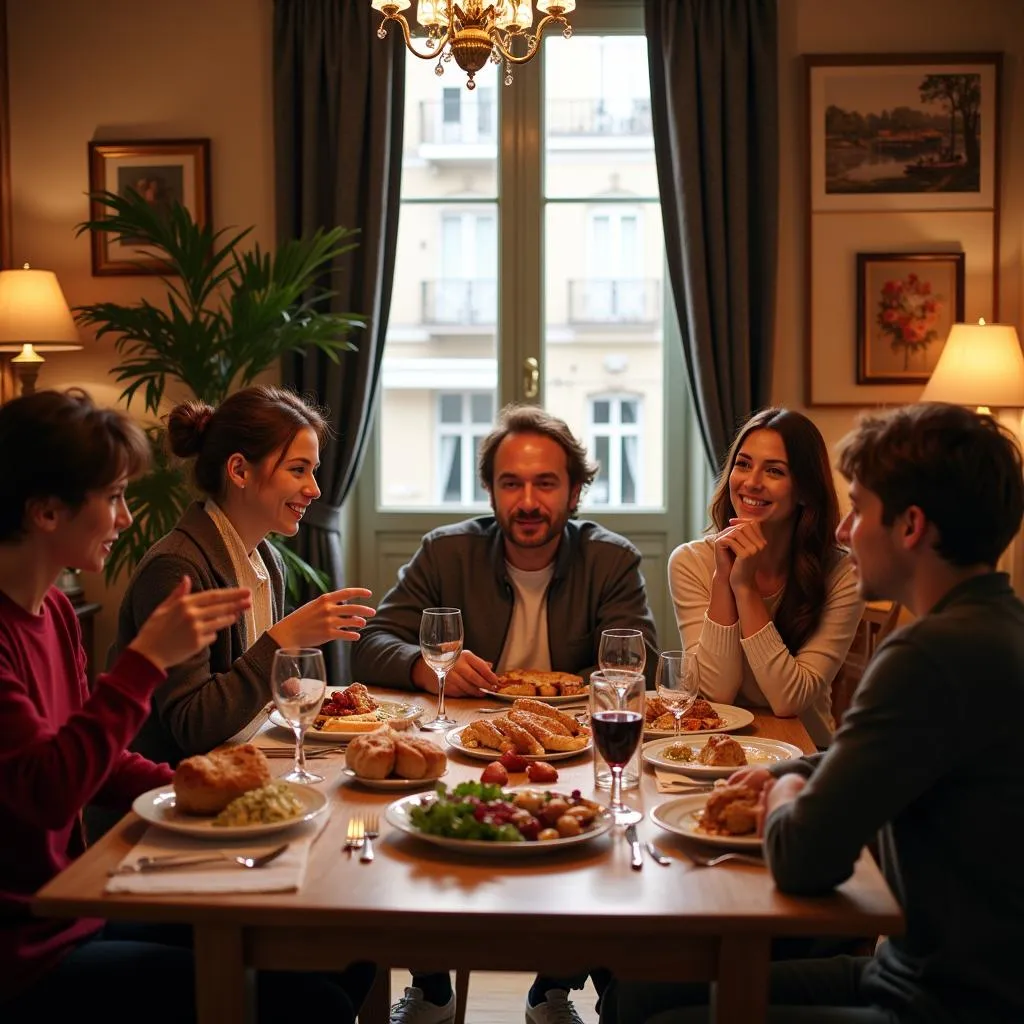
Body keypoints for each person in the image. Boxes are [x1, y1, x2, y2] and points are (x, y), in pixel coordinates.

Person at [612, 402, 1024, 1024]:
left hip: (945, 1002)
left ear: (911, 526)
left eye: (858, 508)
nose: (842, 529)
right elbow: (857, 752)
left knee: (658, 1016)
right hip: (913, 970)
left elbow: (804, 860)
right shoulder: (992, 628)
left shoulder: (925, 657)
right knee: (637, 992)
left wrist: (789, 790)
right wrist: (783, 773)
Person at [0, 388, 372, 1022]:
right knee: (315, 1004)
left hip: (79, 905)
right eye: (113, 497)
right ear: (45, 512)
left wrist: (218, 795)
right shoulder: (18, 629)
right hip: (31, 943)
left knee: (354, 941)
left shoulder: (58, 611)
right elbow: (52, 790)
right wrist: (144, 661)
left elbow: (102, 753)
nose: (124, 518)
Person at [352, 403, 659, 1024]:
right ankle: (433, 987)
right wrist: (421, 665)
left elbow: (637, 662)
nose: (527, 501)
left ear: (574, 491)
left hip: (570, 752)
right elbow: (372, 641)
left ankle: (554, 988)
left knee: (599, 839)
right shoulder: (446, 551)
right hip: (463, 750)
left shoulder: (610, 558)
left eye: (546, 483)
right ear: (490, 489)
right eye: (511, 483)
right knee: (418, 837)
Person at [110, 385, 376, 767]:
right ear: (239, 470)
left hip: (247, 765)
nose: (314, 489)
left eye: (313, 471)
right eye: (298, 469)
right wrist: (284, 640)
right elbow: (193, 726)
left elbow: (256, 701)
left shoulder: (267, 561)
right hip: (170, 798)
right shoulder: (177, 568)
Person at [667, 408, 864, 749]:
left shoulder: (843, 574)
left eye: (774, 471)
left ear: (804, 491)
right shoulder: (690, 562)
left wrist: (744, 588)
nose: (751, 482)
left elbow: (790, 700)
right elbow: (716, 693)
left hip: (805, 754)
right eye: (742, 464)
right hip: (715, 748)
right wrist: (722, 579)